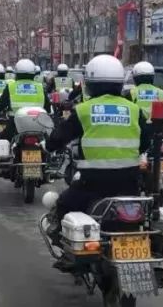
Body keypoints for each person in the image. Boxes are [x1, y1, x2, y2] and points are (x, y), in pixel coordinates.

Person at [46, 54, 152, 225]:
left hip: (91, 183)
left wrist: (48, 146)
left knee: (63, 206)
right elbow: (146, 141)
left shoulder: (84, 110)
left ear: (90, 84)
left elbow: (59, 137)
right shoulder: (134, 110)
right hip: (129, 183)